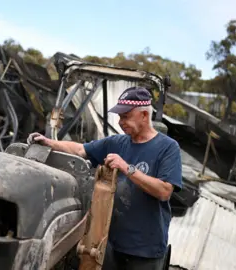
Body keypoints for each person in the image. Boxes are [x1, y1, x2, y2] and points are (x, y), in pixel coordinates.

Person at [27, 86, 182, 270]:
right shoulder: (117, 142)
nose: (120, 121)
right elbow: (80, 150)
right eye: (119, 116)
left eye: (126, 116)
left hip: (145, 250)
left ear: (144, 115)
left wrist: (126, 168)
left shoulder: (167, 148)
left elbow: (164, 191)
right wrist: (49, 142)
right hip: (111, 244)